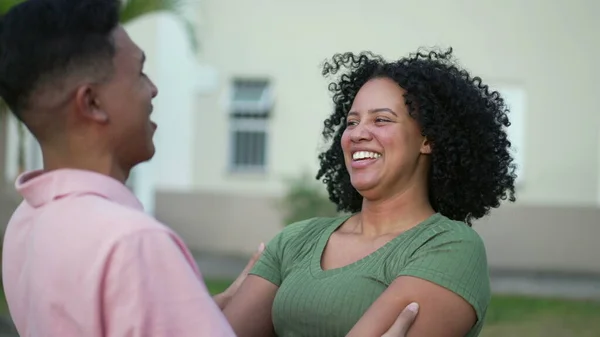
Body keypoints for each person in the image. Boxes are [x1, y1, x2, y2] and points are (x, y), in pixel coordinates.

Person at [0, 0, 421, 336]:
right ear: (91, 103)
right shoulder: (133, 243)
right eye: (140, 73)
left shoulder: (26, 224)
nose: (153, 89)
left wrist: (199, 308)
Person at [222, 50, 517, 337]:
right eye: (352, 122)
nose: (357, 133)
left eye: (381, 120)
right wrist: (214, 305)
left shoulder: (450, 248)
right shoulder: (296, 240)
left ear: (428, 140)